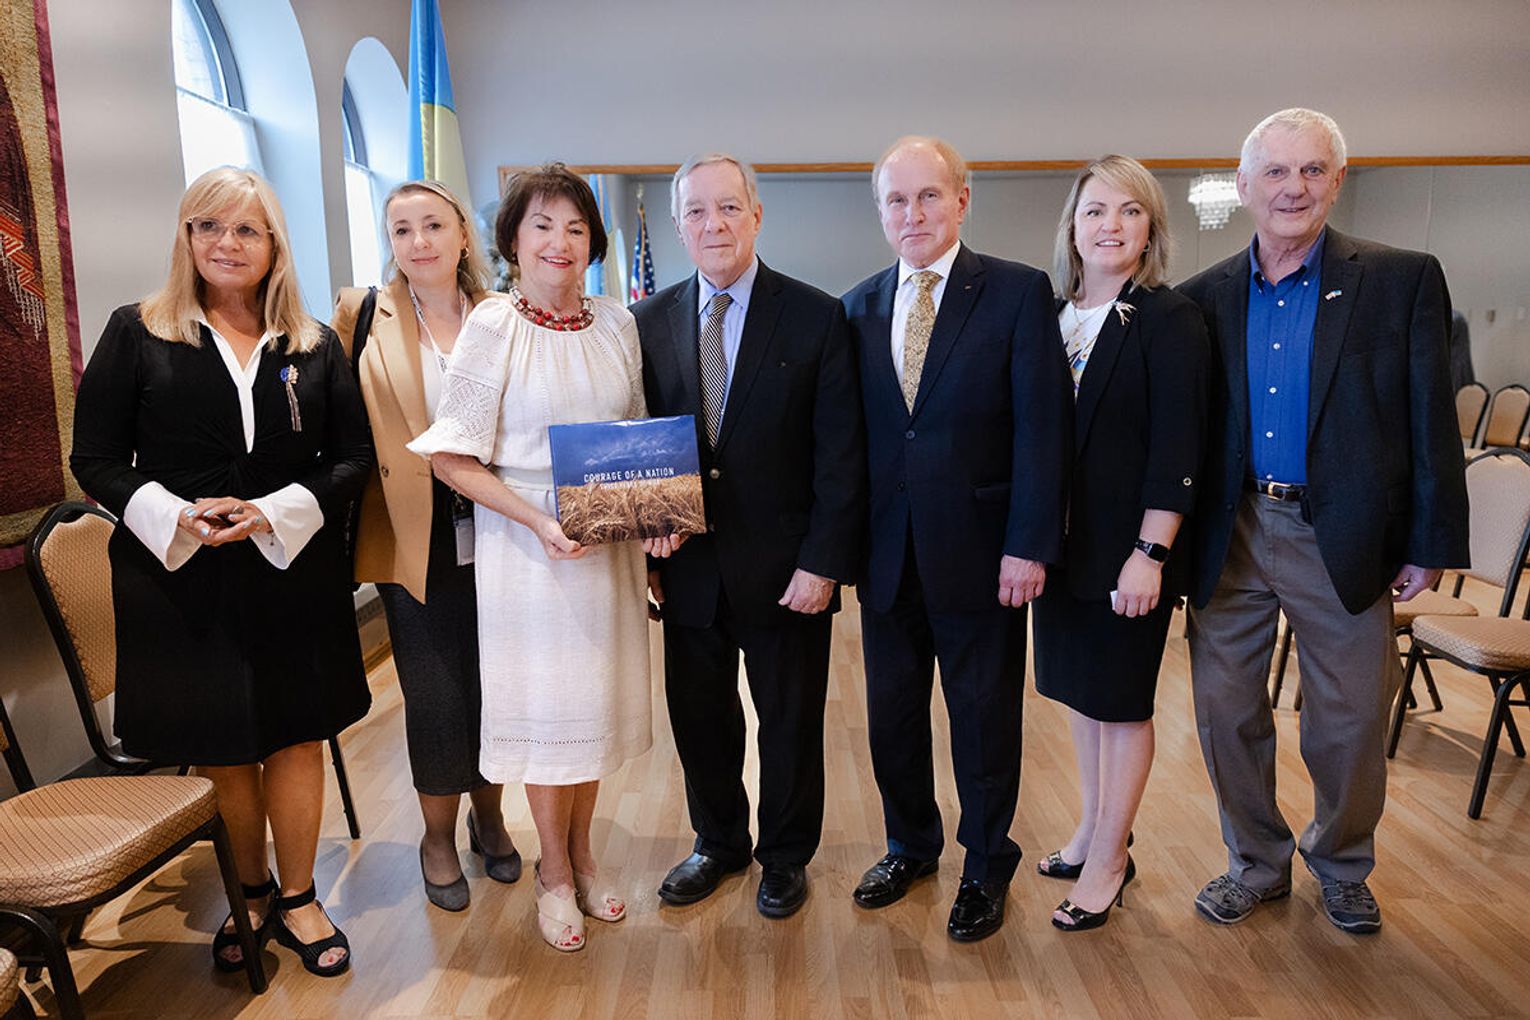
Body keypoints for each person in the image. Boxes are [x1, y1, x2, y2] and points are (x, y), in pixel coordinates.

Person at [70, 167, 371, 977]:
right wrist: (176, 514)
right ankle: (251, 890)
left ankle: (301, 898)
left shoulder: (313, 344)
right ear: (186, 238)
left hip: (290, 568)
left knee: (296, 736)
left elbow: (353, 458)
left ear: (274, 244)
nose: (226, 243)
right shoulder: (137, 331)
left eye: (245, 229)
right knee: (226, 746)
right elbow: (95, 458)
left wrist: (272, 511)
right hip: (182, 576)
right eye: (207, 226)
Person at [1178, 108, 1469, 934]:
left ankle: (1341, 863)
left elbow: (1431, 418)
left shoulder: (1401, 279)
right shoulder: (1203, 298)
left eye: (1312, 170)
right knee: (1225, 711)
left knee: (1350, 720)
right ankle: (1254, 863)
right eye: (1275, 171)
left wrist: (1430, 541)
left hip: (1342, 532)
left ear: (1337, 182)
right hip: (1233, 530)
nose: (1293, 187)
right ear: (1244, 186)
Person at [407, 163, 679, 952]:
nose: (561, 241)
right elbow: (450, 458)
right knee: (549, 716)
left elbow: (635, 437)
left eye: (576, 227)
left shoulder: (617, 323)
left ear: (592, 243)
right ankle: (553, 871)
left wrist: (655, 521)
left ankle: (584, 856)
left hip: (607, 549)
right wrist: (535, 520)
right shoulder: (494, 325)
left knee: (592, 713)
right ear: (512, 240)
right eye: (542, 225)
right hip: (529, 554)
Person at [841, 136, 1073, 942]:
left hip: (984, 554)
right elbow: (855, 443)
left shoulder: (1015, 293)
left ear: (962, 199)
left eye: (929, 195)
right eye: (896, 200)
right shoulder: (857, 307)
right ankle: (910, 846)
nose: (913, 213)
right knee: (892, 719)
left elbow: (1043, 429)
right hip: (887, 558)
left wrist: (1030, 544)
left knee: (982, 720)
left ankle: (985, 864)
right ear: (881, 212)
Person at [632, 154, 865, 919]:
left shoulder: (815, 316)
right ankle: (718, 842)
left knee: (789, 724)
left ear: (756, 216)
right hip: (688, 567)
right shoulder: (647, 321)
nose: (714, 224)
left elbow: (840, 456)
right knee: (700, 719)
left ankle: (786, 856)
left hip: (788, 571)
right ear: (679, 226)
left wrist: (823, 563)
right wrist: (647, 546)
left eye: (729, 207)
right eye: (697, 211)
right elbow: (640, 441)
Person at [330, 180, 521, 913]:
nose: (419, 241)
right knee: (437, 694)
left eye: (434, 225)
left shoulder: (502, 315)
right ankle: (437, 837)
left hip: (500, 526)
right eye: (402, 229)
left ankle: (490, 817)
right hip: (411, 533)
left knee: (496, 686)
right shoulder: (361, 315)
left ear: (463, 234)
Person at [1031, 155, 1210, 931]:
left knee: (1123, 703)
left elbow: (1179, 447)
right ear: (1073, 227)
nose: (1111, 225)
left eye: (1129, 211)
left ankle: (1109, 859)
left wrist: (1151, 553)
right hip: (1060, 549)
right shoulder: (1051, 316)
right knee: (1082, 696)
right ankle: (1092, 829)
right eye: (1096, 211)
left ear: (1151, 228)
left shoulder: (1169, 319)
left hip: (1129, 552)